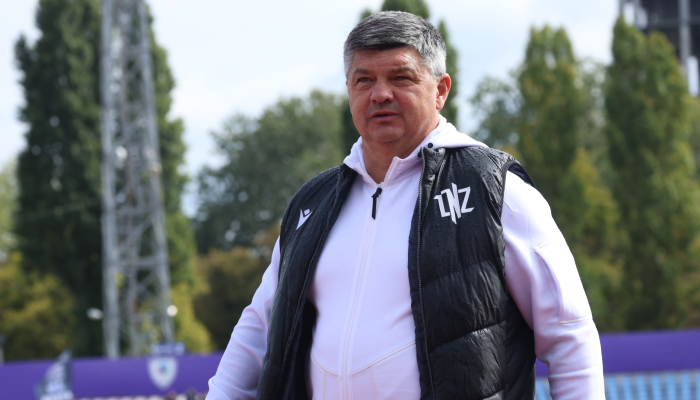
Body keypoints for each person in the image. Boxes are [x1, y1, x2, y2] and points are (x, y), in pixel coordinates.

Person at [207, 11, 605, 400]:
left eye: (400, 77)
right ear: (349, 91)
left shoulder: (496, 188)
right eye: (364, 80)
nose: (380, 94)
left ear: (441, 90)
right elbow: (259, 330)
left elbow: (568, 334)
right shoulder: (311, 204)